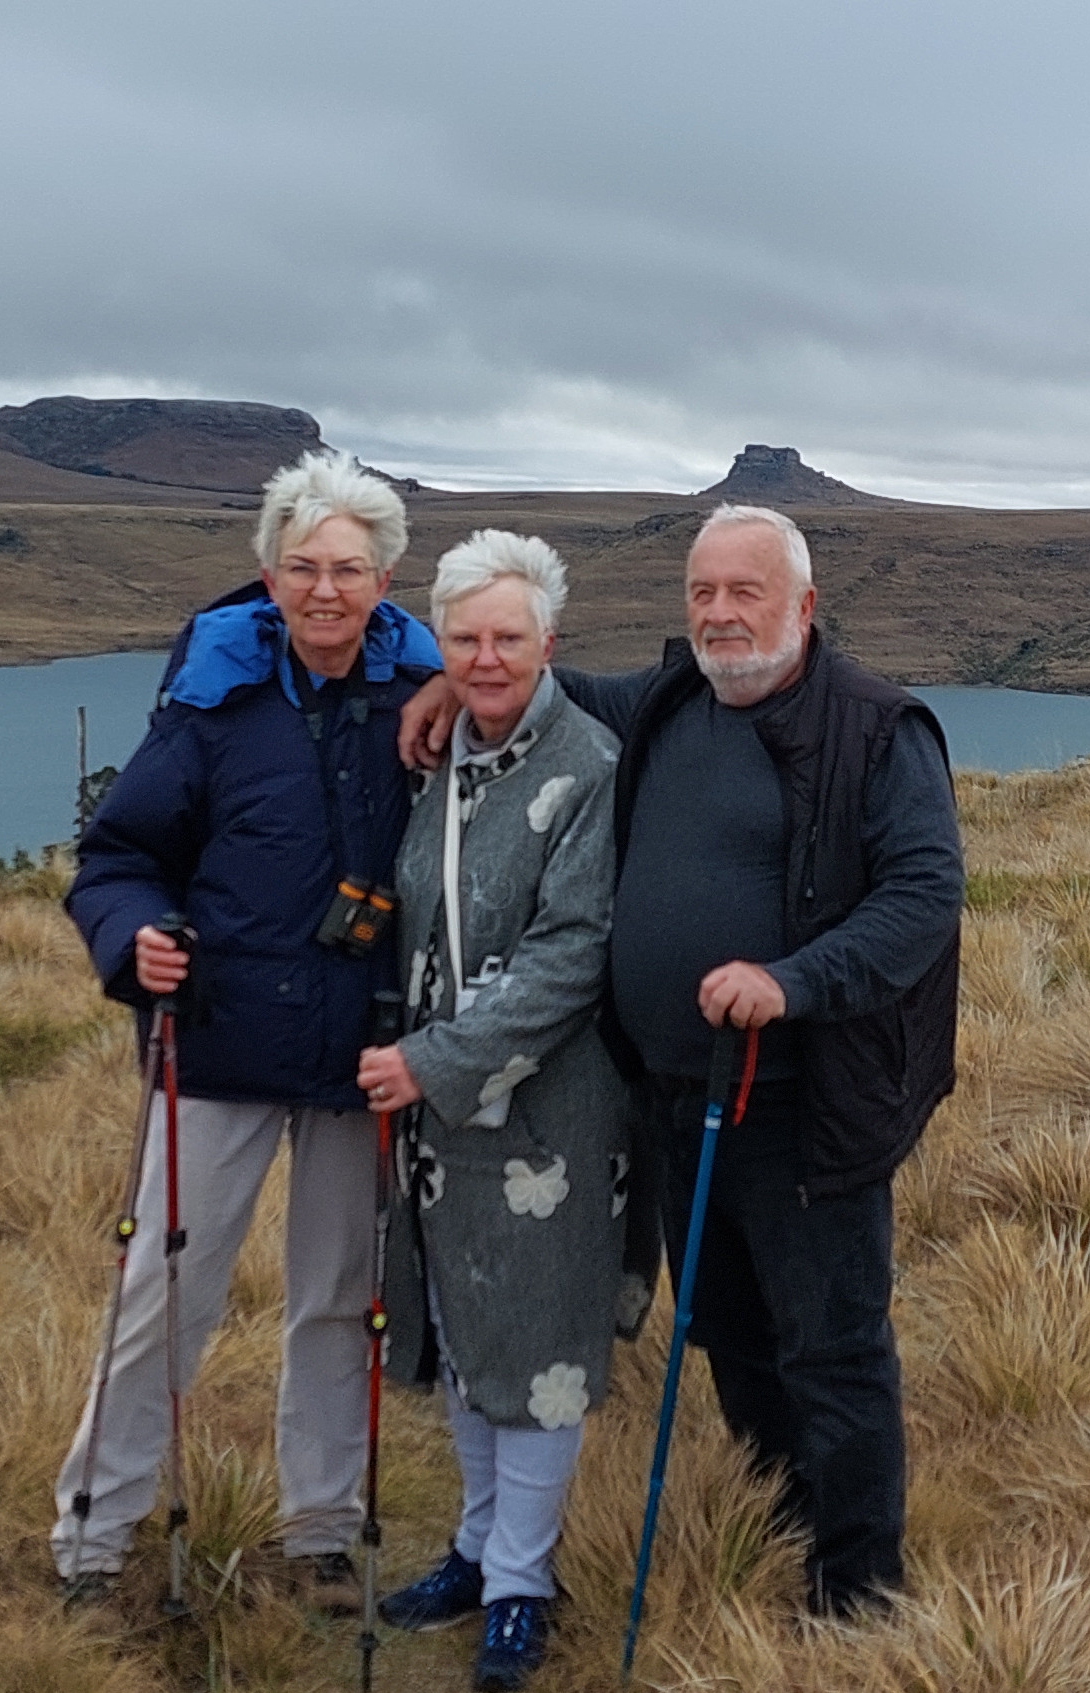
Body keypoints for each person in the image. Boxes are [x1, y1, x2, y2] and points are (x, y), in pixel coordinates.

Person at [399, 503, 963, 1617]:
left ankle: (859, 1595)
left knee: (831, 1349)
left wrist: (791, 980)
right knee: (731, 1334)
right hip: (672, 1098)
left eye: (743, 592)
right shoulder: (668, 698)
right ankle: (782, 1525)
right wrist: (442, 683)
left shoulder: (878, 729)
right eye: (702, 591)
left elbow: (922, 897)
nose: (718, 613)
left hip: (805, 1106)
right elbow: (538, 687)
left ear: (802, 604)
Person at [52, 451, 440, 1610]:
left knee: (336, 1297)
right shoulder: (209, 701)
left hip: (357, 1051)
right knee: (164, 1296)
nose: (325, 591)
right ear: (268, 575)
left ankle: (321, 1529)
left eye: (350, 570)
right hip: (213, 1041)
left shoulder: (424, 696)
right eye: (304, 567)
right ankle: (93, 1534)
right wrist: (135, 941)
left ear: (386, 580)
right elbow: (116, 859)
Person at [355, 529, 644, 1692]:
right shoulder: (444, 760)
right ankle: (477, 1551)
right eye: (464, 638)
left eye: (507, 639)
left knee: (540, 1346)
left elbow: (573, 954)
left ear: (549, 645)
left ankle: (524, 1582)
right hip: (439, 1116)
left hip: (552, 1118)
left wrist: (436, 1059)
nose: (484, 658)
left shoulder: (590, 767)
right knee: (470, 1336)